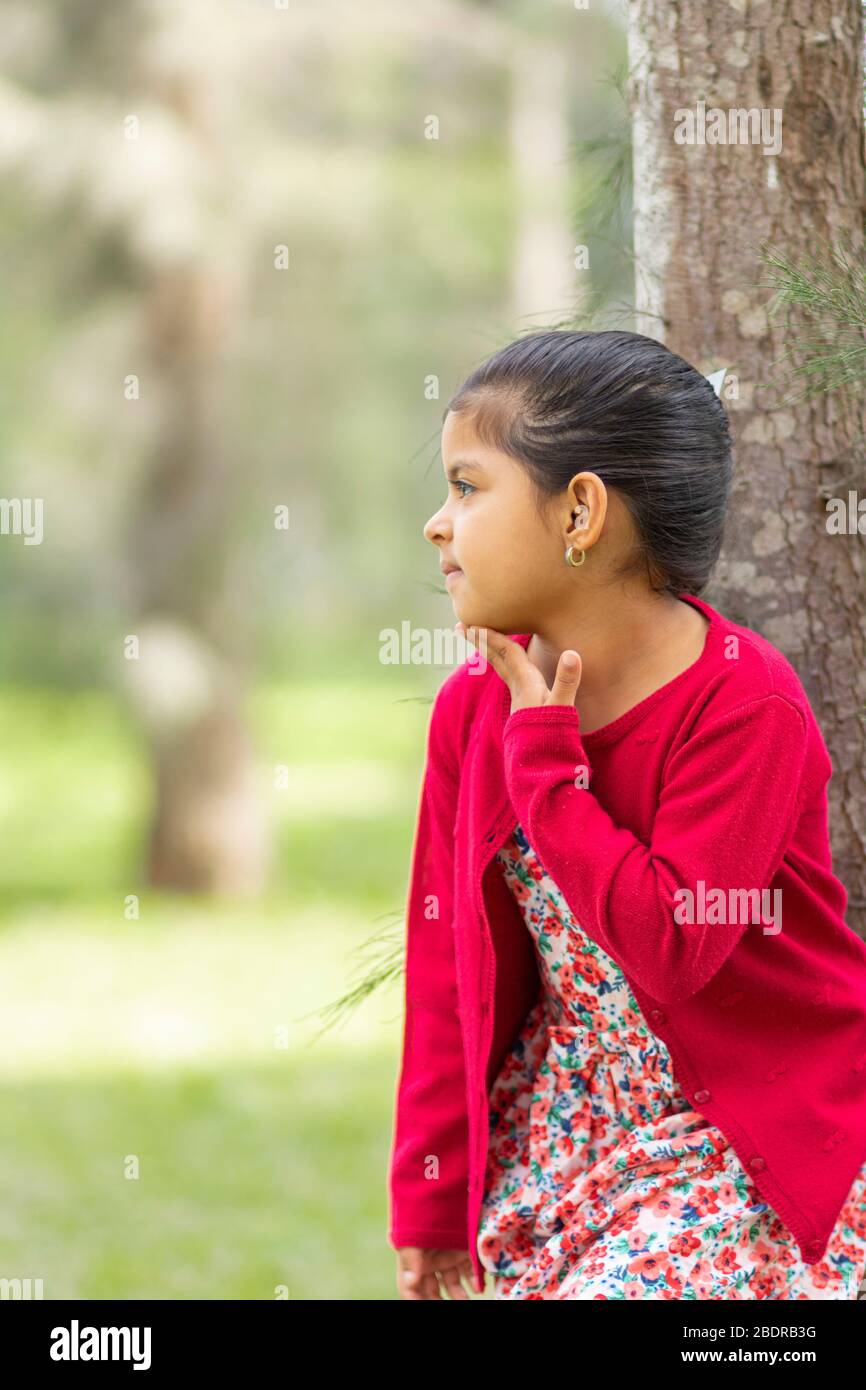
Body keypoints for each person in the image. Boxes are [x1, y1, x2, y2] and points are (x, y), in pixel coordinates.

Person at [387, 329, 866, 1300]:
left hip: (744, 1143)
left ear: (579, 509)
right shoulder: (471, 708)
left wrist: (548, 768)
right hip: (563, 1137)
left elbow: (669, 942)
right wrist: (431, 1205)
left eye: (467, 487)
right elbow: (446, 968)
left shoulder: (741, 704)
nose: (437, 525)